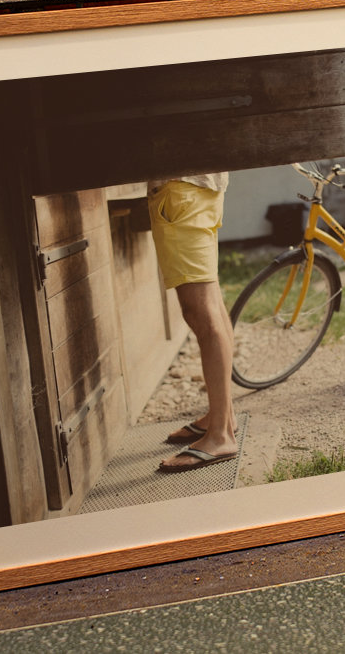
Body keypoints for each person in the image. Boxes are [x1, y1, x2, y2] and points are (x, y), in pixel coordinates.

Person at [147, 172, 237, 472]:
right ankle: (222, 417)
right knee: (211, 305)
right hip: (201, 189)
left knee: (201, 312)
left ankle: (220, 436)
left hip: (182, 189)